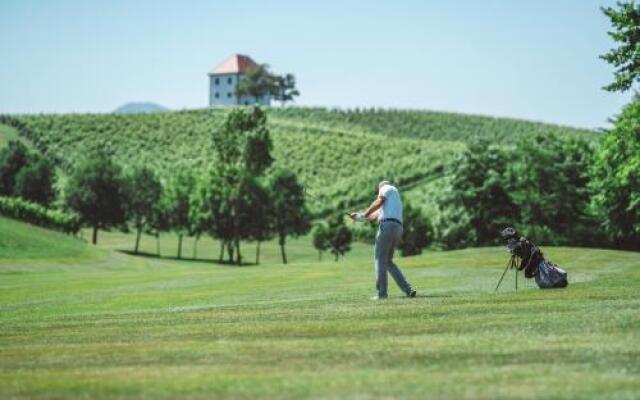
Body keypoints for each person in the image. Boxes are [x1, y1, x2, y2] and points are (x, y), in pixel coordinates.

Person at [350, 181, 416, 300]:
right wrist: (359, 217)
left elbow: (378, 202)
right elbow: (374, 216)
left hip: (387, 226)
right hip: (398, 228)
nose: (378, 194)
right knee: (389, 262)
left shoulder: (386, 188)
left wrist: (364, 214)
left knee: (379, 260)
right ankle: (408, 289)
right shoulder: (393, 199)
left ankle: (382, 294)